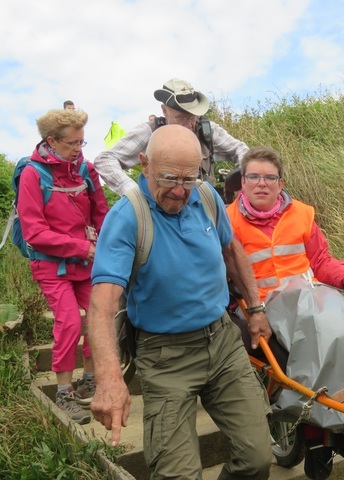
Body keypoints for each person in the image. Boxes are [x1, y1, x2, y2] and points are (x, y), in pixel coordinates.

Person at [87, 125, 272, 479]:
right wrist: (109, 378)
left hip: (223, 345)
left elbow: (232, 251)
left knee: (256, 459)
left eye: (188, 179)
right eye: (169, 178)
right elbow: (102, 305)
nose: (178, 191)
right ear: (143, 164)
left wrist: (256, 308)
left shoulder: (204, 197)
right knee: (177, 475)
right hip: (165, 357)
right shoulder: (127, 218)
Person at [226, 146, 344, 479]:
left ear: (280, 181)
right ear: (242, 182)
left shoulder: (302, 214)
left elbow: (322, 262)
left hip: (309, 300)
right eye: (253, 176)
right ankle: (318, 436)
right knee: (305, 349)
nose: (262, 183)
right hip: (258, 308)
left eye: (269, 177)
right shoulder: (225, 219)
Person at [17, 109, 109, 424]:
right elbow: (35, 232)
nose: (79, 149)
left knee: (101, 318)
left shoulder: (86, 169)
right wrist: (83, 247)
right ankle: (64, 393)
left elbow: (100, 211)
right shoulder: (33, 174)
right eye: (72, 143)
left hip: (86, 261)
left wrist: (108, 244)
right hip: (51, 265)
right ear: (51, 141)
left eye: (83, 141)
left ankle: (90, 379)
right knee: (69, 323)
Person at [94, 78, 249, 196]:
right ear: (165, 111)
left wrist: (244, 179)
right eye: (181, 118)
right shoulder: (150, 131)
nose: (189, 125)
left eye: (192, 118)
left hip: (205, 214)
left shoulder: (207, 130)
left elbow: (240, 149)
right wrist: (134, 193)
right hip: (163, 217)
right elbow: (105, 159)